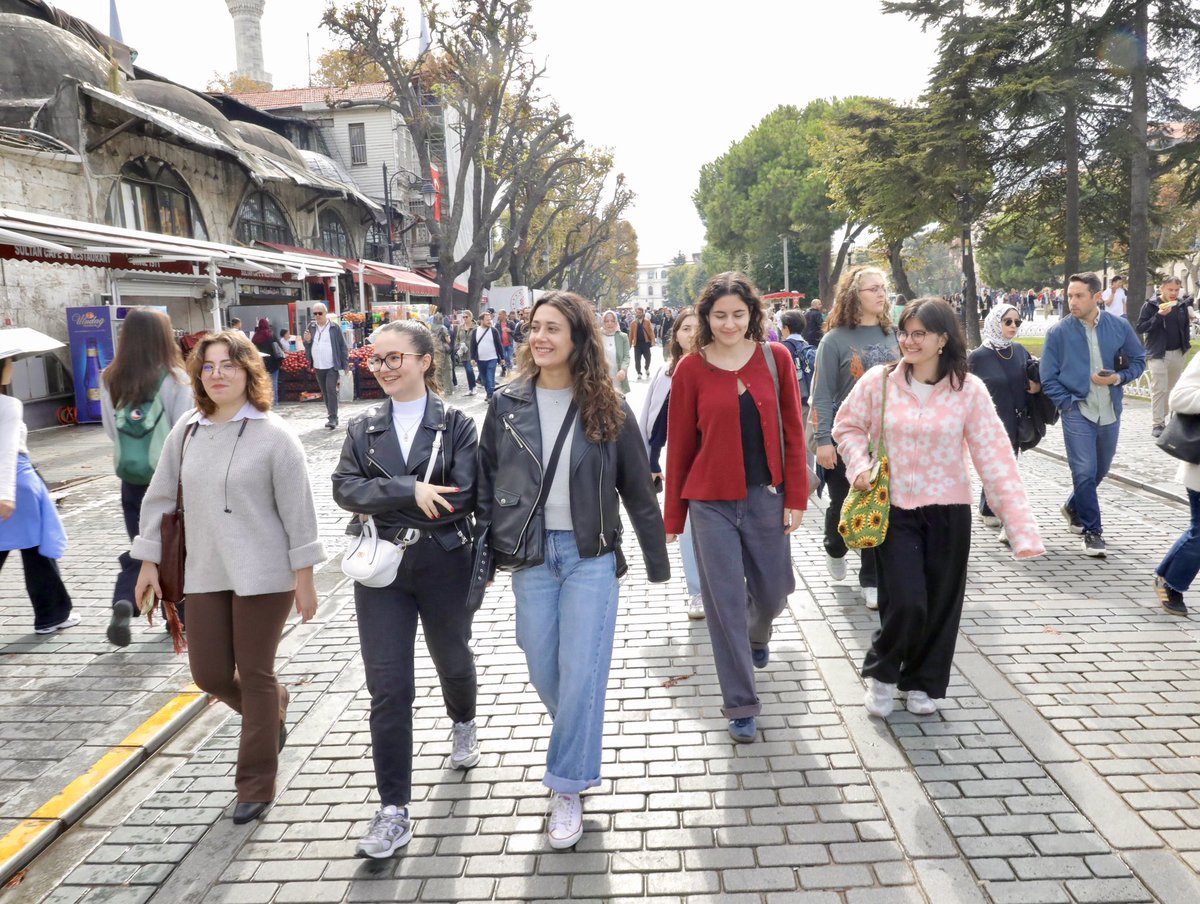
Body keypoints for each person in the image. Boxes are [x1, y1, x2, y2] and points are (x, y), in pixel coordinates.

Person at [476, 291, 669, 850]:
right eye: (534, 327)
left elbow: (637, 488)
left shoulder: (608, 405)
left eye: (553, 328)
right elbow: (487, 485)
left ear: (579, 338)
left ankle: (568, 785)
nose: (540, 337)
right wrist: (485, 555)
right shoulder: (505, 403)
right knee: (542, 664)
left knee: (582, 669)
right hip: (531, 554)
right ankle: (579, 735)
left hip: (591, 555)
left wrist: (657, 561)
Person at [133, 330, 324, 825]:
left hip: (264, 574)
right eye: (209, 366)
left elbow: (299, 513)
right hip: (204, 572)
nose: (217, 374)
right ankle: (274, 706)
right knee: (210, 674)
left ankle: (255, 783)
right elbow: (157, 500)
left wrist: (304, 577)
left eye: (228, 365)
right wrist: (149, 561)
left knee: (255, 674)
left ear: (249, 371)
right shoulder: (188, 429)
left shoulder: (274, 435)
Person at [833, 299, 1044, 719]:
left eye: (919, 334)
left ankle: (923, 682)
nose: (908, 342)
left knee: (941, 604)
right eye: (904, 332)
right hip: (891, 509)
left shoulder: (969, 390)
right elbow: (847, 426)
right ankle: (883, 672)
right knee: (907, 601)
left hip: (948, 509)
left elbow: (996, 458)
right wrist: (859, 465)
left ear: (943, 339)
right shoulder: (881, 382)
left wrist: (1020, 529)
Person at [331, 320, 480, 857]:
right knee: (389, 686)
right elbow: (343, 489)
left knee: (452, 659)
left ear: (424, 360)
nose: (386, 368)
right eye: (377, 360)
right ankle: (393, 809)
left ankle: (463, 720)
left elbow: (460, 495)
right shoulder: (363, 426)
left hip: (444, 561)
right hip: (381, 568)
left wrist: (384, 495)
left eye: (396, 358)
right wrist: (408, 489)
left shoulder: (457, 424)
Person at [665, 272, 808, 744]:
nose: (729, 323)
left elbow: (793, 429)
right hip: (710, 504)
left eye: (738, 314)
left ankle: (759, 632)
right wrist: (673, 518)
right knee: (723, 604)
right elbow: (681, 445)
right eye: (719, 315)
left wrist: (797, 497)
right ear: (706, 317)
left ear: (753, 315)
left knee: (773, 593)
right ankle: (741, 704)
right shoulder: (690, 369)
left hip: (766, 497)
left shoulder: (777, 358)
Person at [100, 308, 193, 647]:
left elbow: (112, 430)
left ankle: (124, 598)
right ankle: (180, 621)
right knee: (177, 550)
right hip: (171, 479)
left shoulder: (109, 377)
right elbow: (185, 429)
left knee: (144, 547)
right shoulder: (175, 378)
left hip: (131, 478)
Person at [809, 266, 900, 609]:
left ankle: (872, 579)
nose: (881, 294)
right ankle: (835, 545)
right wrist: (823, 441)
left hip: (886, 441)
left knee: (878, 507)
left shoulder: (895, 334)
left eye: (883, 288)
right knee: (843, 505)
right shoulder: (835, 340)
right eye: (873, 288)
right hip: (844, 438)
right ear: (853, 296)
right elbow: (821, 394)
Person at [1041, 272, 1146, 557]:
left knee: (1099, 470)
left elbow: (1139, 360)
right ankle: (1092, 531)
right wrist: (1067, 403)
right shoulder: (1058, 332)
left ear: (1097, 297)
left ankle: (1074, 505)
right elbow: (1047, 377)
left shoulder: (1119, 326)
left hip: (1110, 409)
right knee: (1084, 470)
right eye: (1069, 295)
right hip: (1077, 409)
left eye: (1079, 295)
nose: (1072, 301)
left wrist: (1117, 379)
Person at [0, 344, 76, 634]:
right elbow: (6, 450)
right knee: (38, 554)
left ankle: (53, 615)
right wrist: (5, 494)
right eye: (8, 361)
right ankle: (51, 616)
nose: (12, 366)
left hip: (14, 485)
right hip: (16, 485)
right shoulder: (8, 405)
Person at [640, 307, 704, 620]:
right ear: (675, 335)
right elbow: (655, 424)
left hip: (720, 461)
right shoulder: (667, 373)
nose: (691, 334)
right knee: (689, 529)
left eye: (696, 327)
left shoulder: (720, 367)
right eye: (684, 328)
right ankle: (697, 592)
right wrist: (651, 462)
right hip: (685, 464)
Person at [968, 303, 1040, 543]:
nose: (1013, 326)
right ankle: (1011, 523)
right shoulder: (977, 357)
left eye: (1017, 322)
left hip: (1015, 422)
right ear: (994, 322)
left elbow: (1031, 383)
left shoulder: (1020, 351)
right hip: (987, 425)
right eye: (1007, 321)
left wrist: (1036, 387)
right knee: (1003, 472)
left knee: (1001, 470)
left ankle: (988, 508)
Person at [1137, 276, 1192, 438]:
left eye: (1177, 290)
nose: (1174, 293)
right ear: (1162, 289)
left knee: (1171, 388)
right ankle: (1158, 423)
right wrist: (1159, 316)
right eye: (1170, 290)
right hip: (1157, 353)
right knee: (1159, 388)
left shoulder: (1181, 305)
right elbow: (1141, 327)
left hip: (1178, 352)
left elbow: (1184, 327)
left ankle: (1166, 418)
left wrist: (1185, 346)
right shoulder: (1151, 305)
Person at [303, 304, 349, 429]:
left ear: (325, 313)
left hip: (331, 365)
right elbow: (307, 346)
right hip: (318, 365)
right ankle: (332, 415)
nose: (317, 316)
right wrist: (306, 341)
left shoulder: (334, 328)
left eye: (320, 313)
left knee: (331, 390)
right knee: (325, 392)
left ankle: (333, 417)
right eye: (315, 313)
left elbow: (342, 347)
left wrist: (345, 364)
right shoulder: (311, 327)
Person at [470, 311, 503, 401]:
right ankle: (489, 393)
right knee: (484, 380)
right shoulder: (475, 332)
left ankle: (490, 396)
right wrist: (472, 358)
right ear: (481, 320)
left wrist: (502, 358)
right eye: (487, 320)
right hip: (480, 360)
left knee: (490, 377)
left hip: (492, 358)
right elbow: (473, 346)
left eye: (490, 319)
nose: (490, 321)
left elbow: (499, 345)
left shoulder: (494, 331)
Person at [251, 318, 285, 403]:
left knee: (261, 383)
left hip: (260, 363)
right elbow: (280, 346)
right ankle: (275, 401)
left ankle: (264, 401)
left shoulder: (255, 337)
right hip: (273, 362)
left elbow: (251, 350)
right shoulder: (271, 335)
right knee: (274, 383)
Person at [600, 310, 631, 394]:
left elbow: (626, 356)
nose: (609, 323)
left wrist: (623, 370)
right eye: (607, 321)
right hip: (602, 377)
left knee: (619, 402)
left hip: (618, 376)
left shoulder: (623, 337)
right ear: (603, 322)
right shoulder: (597, 336)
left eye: (612, 321)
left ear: (616, 322)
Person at [630, 307, 655, 379]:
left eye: (640, 313)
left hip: (645, 343)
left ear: (642, 313)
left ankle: (646, 368)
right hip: (637, 344)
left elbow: (651, 331)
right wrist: (629, 345)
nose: (638, 314)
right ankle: (639, 372)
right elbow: (631, 334)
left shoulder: (647, 321)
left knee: (648, 358)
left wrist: (653, 341)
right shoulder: (633, 323)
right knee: (637, 359)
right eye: (637, 313)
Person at [497, 308, 515, 375]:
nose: (499, 315)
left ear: (504, 315)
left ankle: (509, 370)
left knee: (509, 357)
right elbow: (496, 334)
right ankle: (504, 369)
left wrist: (510, 330)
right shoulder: (498, 324)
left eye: (500, 314)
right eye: (499, 314)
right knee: (503, 357)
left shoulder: (511, 323)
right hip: (501, 344)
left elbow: (515, 332)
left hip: (509, 343)